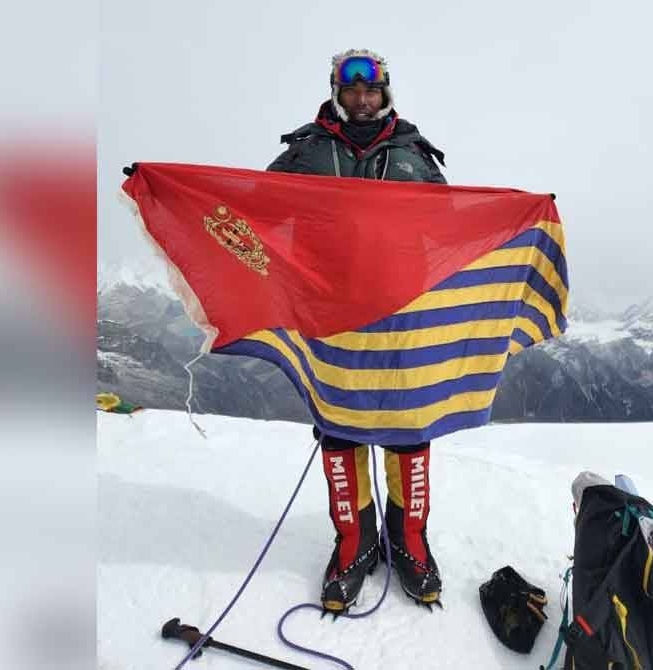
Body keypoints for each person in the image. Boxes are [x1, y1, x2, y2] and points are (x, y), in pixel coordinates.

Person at [267, 49, 447, 614]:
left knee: (407, 428)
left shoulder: (415, 156)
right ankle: (355, 543)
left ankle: (408, 541)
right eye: (352, 90)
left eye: (372, 90)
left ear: (386, 93)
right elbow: (255, 210)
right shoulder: (304, 152)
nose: (363, 99)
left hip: (401, 316)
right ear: (338, 93)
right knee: (340, 430)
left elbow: (448, 228)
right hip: (329, 315)